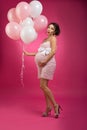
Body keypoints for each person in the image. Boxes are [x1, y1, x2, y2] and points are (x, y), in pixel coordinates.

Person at [24, 22, 62, 118]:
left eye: (52, 28)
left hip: (48, 63)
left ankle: (55, 105)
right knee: (44, 86)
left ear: (55, 31)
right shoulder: (45, 39)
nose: (49, 29)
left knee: (42, 86)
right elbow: (39, 52)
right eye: (49, 27)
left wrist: (45, 61)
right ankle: (48, 107)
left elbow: (53, 51)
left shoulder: (53, 38)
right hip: (41, 65)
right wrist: (28, 54)